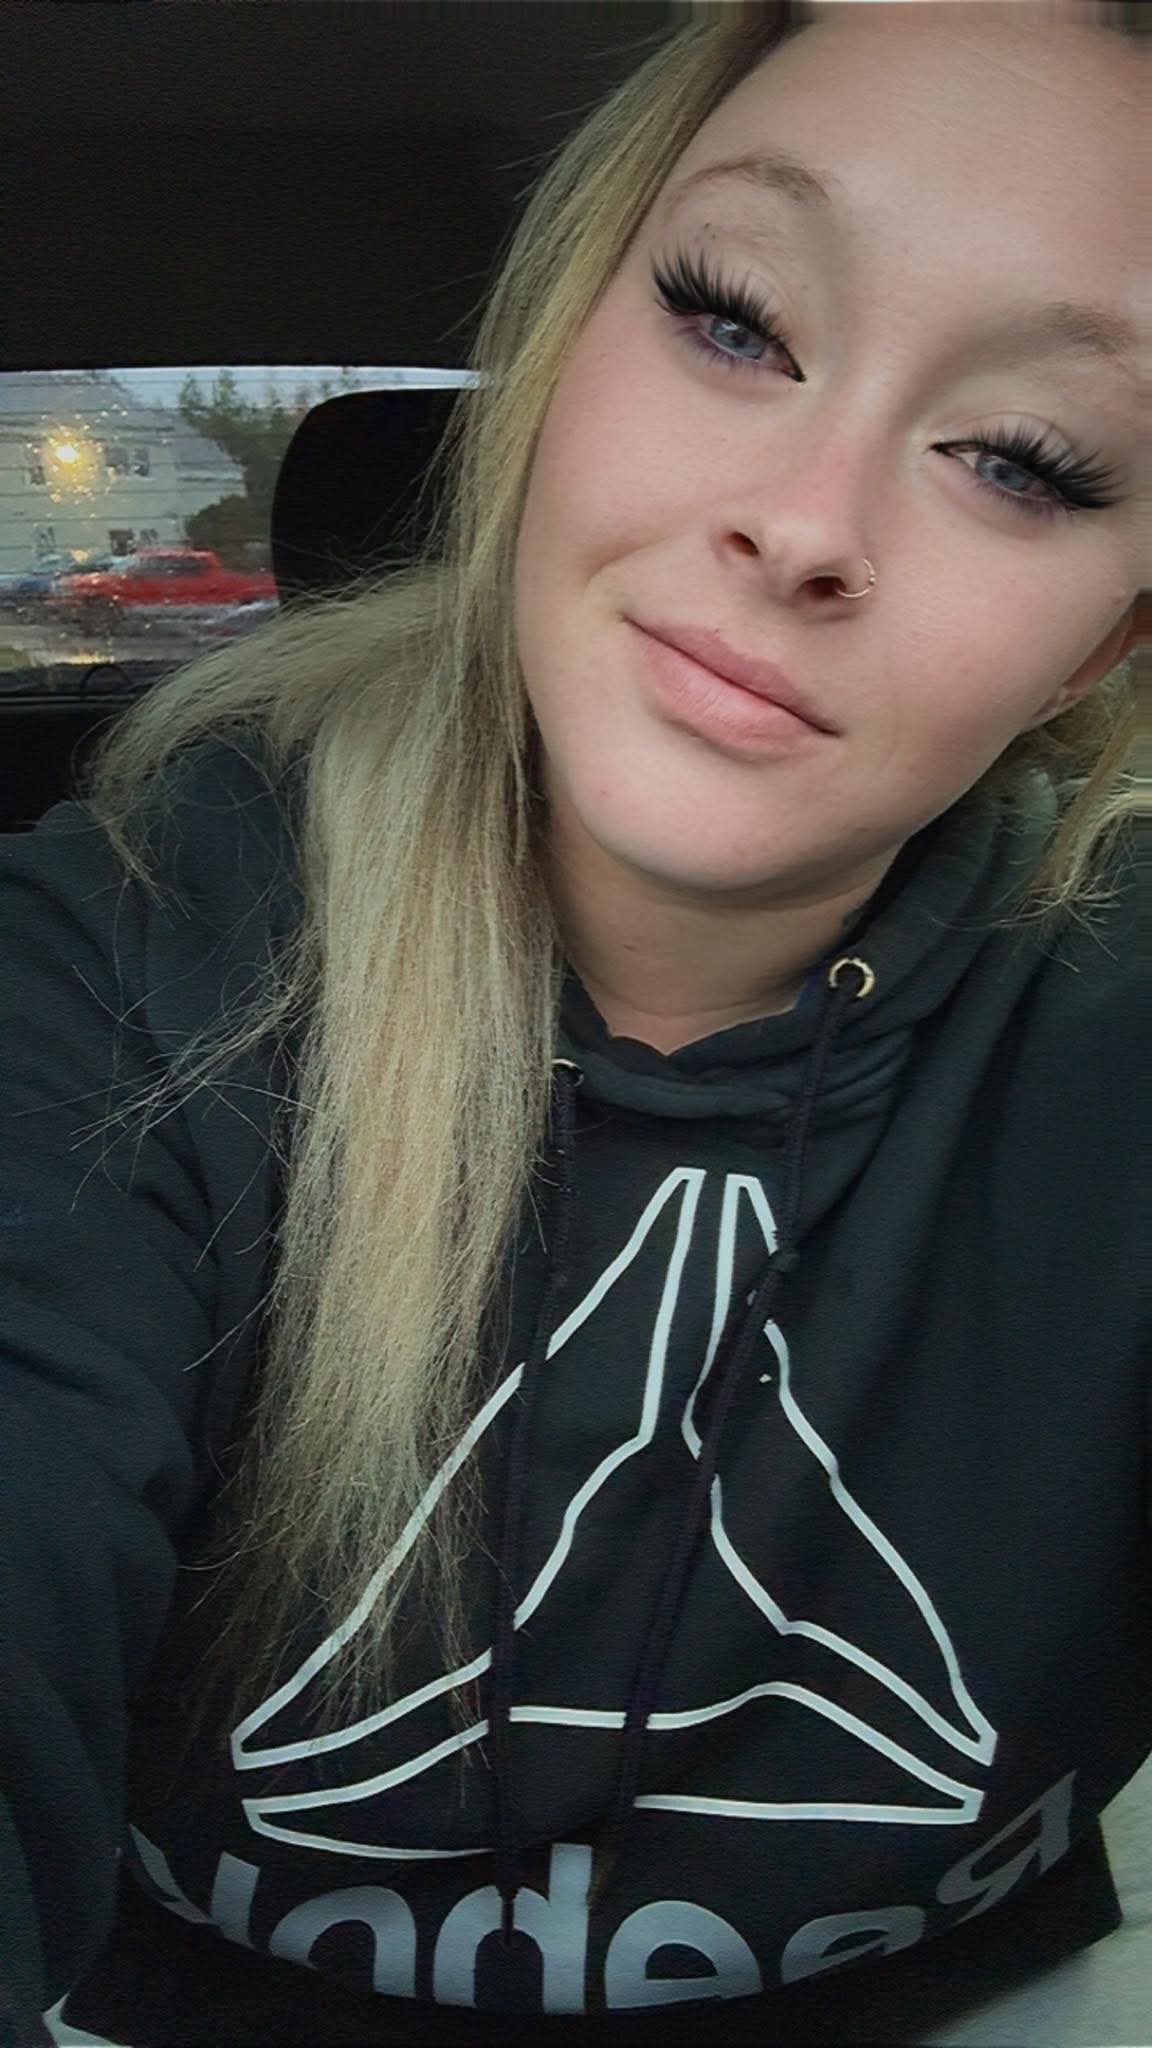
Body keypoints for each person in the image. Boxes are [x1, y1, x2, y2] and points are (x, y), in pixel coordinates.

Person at [1, 3, 1147, 2044]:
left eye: (1022, 460)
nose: (809, 524)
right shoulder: (120, 953)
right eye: (734, 320)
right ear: (556, 355)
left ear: (1107, 644)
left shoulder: (1114, 1036)